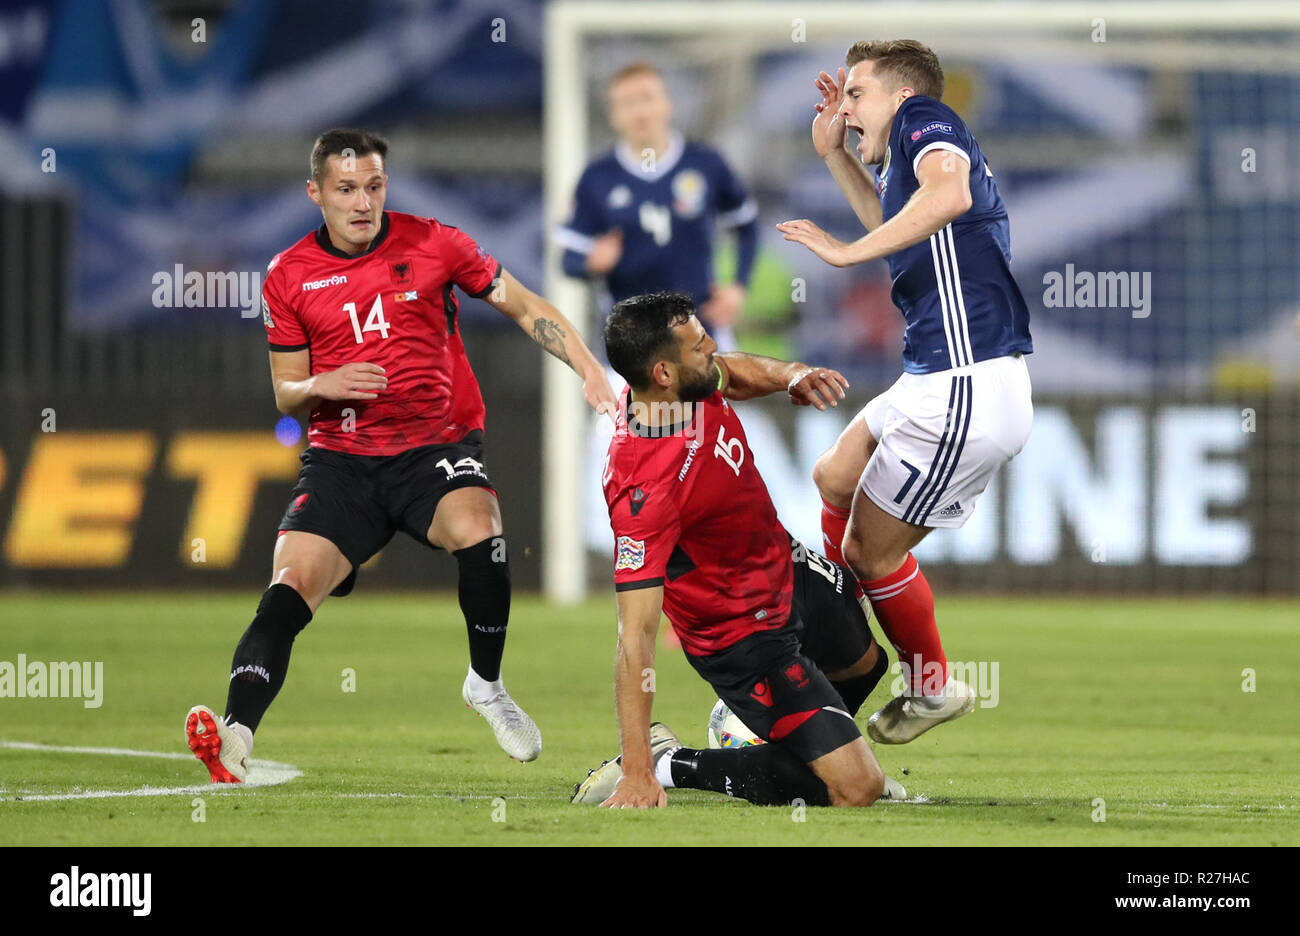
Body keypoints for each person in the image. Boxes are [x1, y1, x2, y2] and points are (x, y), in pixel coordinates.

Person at [184, 127, 616, 782]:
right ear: (316, 193)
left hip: (435, 445)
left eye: (375, 187)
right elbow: (285, 393)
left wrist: (588, 368)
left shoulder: (436, 244)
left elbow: (523, 305)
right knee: (289, 588)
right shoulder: (289, 276)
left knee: (481, 531)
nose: (363, 203)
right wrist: (319, 385)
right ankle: (236, 736)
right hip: (341, 459)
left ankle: (486, 684)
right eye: (347, 189)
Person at [777, 40, 1033, 744]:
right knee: (834, 476)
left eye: (856, 94)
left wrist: (838, 254)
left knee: (869, 553)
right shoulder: (905, 161)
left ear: (898, 94)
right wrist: (834, 153)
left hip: (967, 386)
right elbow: (899, 230)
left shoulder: (926, 118)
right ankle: (837, 646)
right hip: (935, 377)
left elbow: (947, 195)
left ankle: (924, 684)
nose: (845, 106)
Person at [572, 292, 905, 808]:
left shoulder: (692, 383)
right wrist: (638, 770)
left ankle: (792, 750)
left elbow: (733, 370)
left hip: (787, 570)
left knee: (865, 664)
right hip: (742, 635)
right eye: (698, 344)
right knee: (857, 789)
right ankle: (668, 762)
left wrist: (790, 374)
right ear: (663, 373)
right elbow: (635, 634)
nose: (713, 346)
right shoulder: (641, 487)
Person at [554, 61, 759, 350]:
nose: (640, 112)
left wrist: (738, 288)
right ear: (614, 115)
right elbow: (568, 260)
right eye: (627, 103)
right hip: (630, 344)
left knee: (720, 392)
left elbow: (746, 227)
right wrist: (590, 261)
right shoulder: (597, 178)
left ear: (666, 105)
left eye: (647, 98)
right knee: (627, 396)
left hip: (702, 332)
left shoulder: (705, 164)